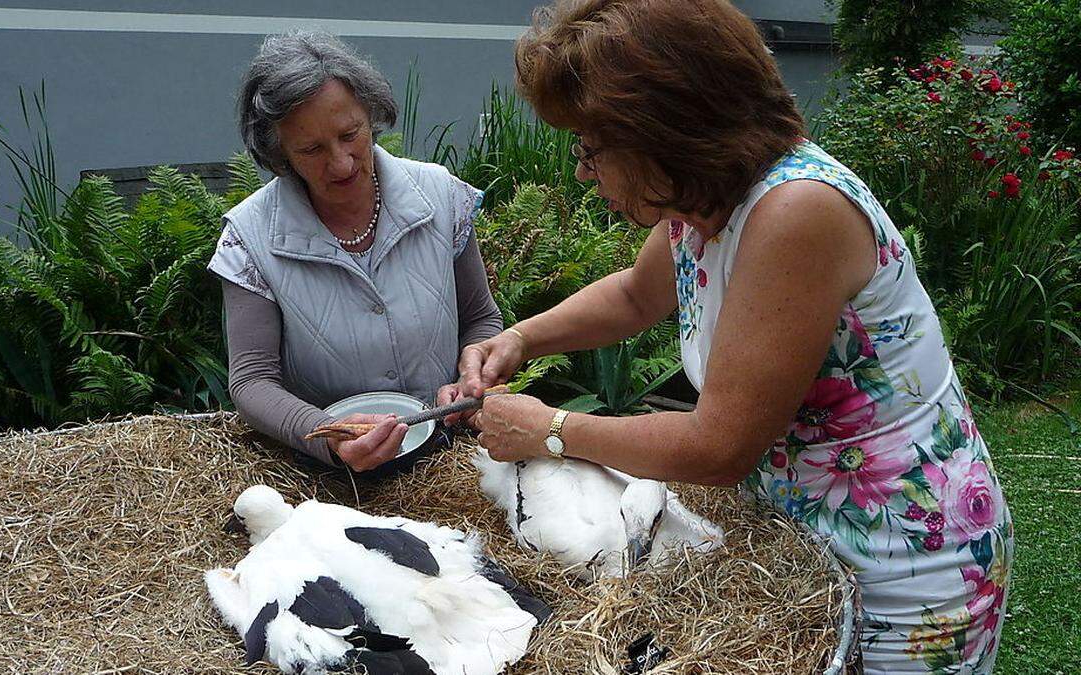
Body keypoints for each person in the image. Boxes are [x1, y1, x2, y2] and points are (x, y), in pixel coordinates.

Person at [457, 1, 1013, 672]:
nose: (582, 170)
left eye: (591, 146)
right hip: (812, 546)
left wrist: (549, 427)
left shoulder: (795, 212)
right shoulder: (701, 202)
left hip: (908, 565)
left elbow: (720, 446)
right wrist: (519, 339)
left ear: (661, 130)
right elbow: (637, 295)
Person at [209, 32, 502, 473]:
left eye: (351, 134)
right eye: (311, 149)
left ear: (372, 114)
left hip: (452, 457)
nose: (342, 162)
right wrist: (327, 435)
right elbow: (252, 382)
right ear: (278, 153)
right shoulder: (249, 239)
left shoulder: (440, 196)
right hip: (329, 482)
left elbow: (481, 319)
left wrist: (469, 379)